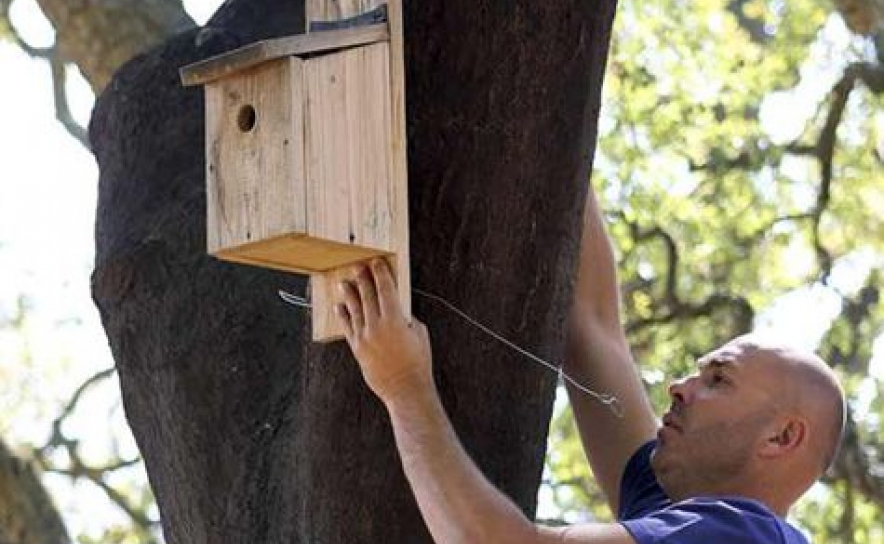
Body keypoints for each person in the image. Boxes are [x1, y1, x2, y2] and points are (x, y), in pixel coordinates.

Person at [334, 186, 846, 544]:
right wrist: (557, 109)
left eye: (718, 379)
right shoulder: (664, 509)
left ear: (781, 438)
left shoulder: (743, 535)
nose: (679, 386)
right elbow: (591, 325)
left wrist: (403, 385)